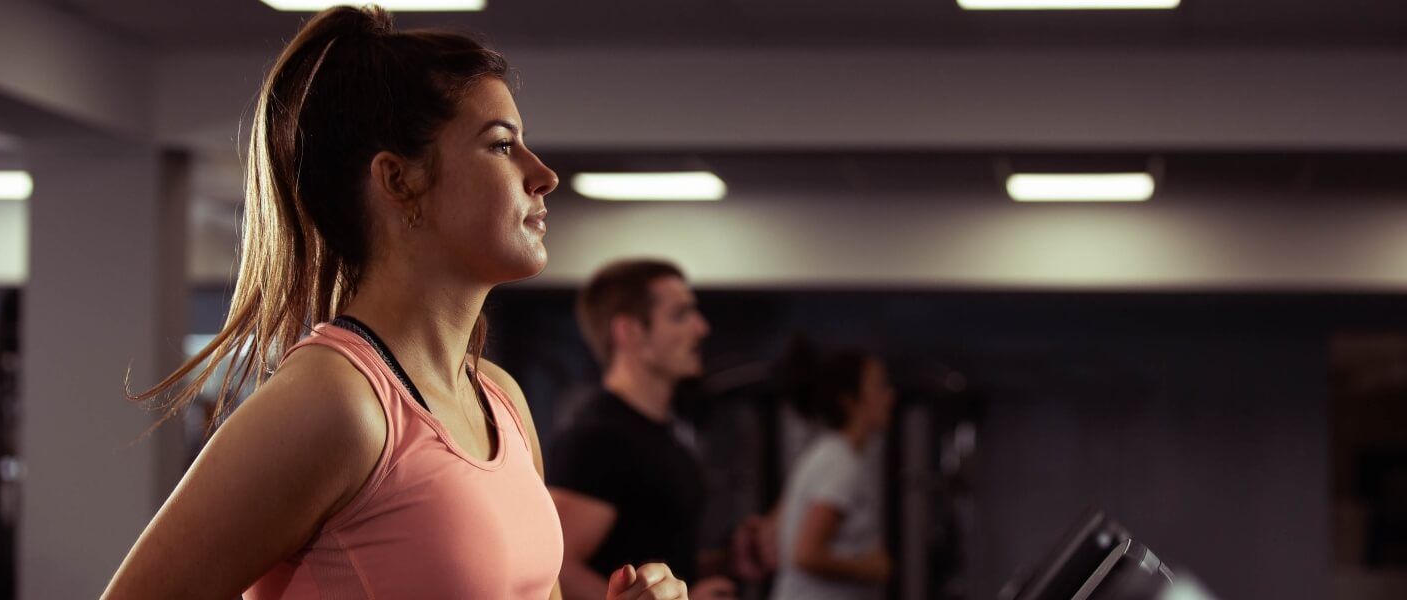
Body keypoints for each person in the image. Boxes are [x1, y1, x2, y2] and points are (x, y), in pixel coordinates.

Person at [103, 7, 686, 599]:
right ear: (399, 181)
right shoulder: (335, 404)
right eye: (501, 146)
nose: (542, 175)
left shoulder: (501, 399)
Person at [549, 260, 742, 599]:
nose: (701, 328)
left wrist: (727, 560)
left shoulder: (664, 434)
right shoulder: (597, 439)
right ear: (630, 332)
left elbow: (654, 551)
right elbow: (556, 566)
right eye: (681, 315)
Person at [771, 349, 895, 600]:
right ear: (850, 400)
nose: (890, 395)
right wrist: (870, 569)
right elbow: (806, 554)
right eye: (879, 386)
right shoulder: (840, 463)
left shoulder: (828, 454)